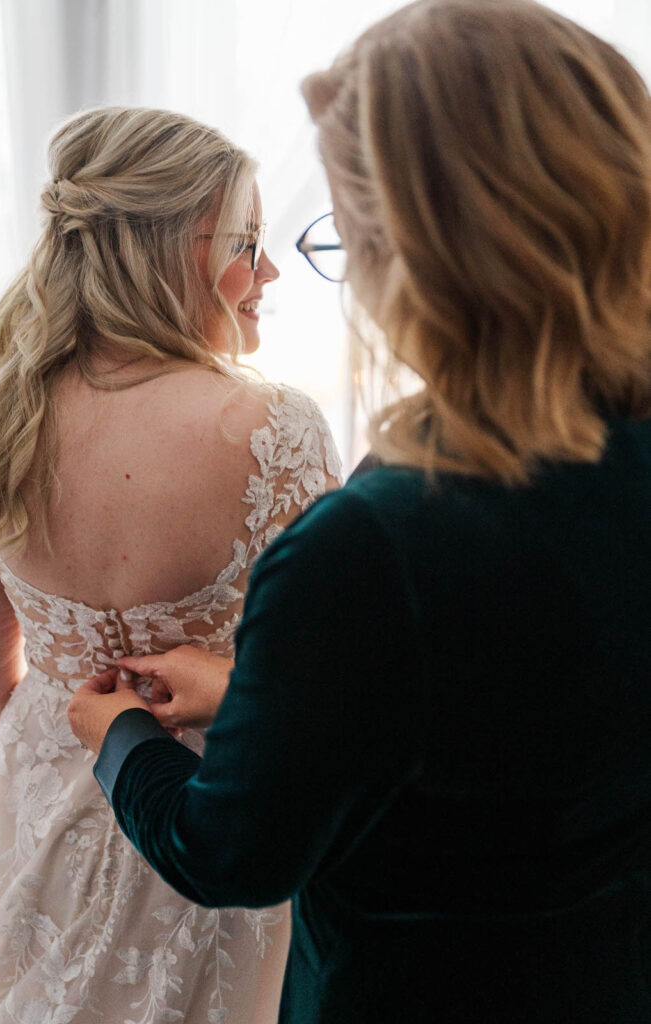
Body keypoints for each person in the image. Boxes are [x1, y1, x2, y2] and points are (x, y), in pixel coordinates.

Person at [69, 3, 651, 1022]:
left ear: (427, 247)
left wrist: (118, 734)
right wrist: (266, 686)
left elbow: (228, 848)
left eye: (341, 234)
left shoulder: (372, 544)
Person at [0, 106, 341, 1024]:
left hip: (51, 775)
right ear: (166, 247)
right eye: (245, 243)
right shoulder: (272, 430)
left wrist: (41, 724)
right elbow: (332, 666)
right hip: (217, 806)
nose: (269, 271)